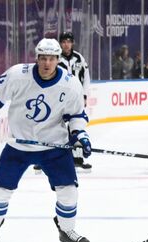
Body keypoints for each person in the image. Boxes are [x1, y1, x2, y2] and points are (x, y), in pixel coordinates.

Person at [0, 37, 92, 242]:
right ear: (36, 58)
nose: (47, 63)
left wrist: (79, 135)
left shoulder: (70, 83)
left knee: (68, 190)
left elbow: (77, 115)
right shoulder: (18, 74)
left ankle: (67, 232)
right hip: (19, 146)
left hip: (54, 146)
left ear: (58, 60)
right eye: (43, 58)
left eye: (52, 59)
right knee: (0, 189)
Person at [58, 31, 92, 171]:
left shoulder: (79, 58)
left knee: (76, 127)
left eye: (68, 41)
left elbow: (87, 78)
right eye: (64, 42)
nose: (66, 44)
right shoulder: (55, 58)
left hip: (76, 98)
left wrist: (84, 95)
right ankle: (50, 158)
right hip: (59, 98)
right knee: (55, 128)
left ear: (72, 43)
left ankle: (77, 158)